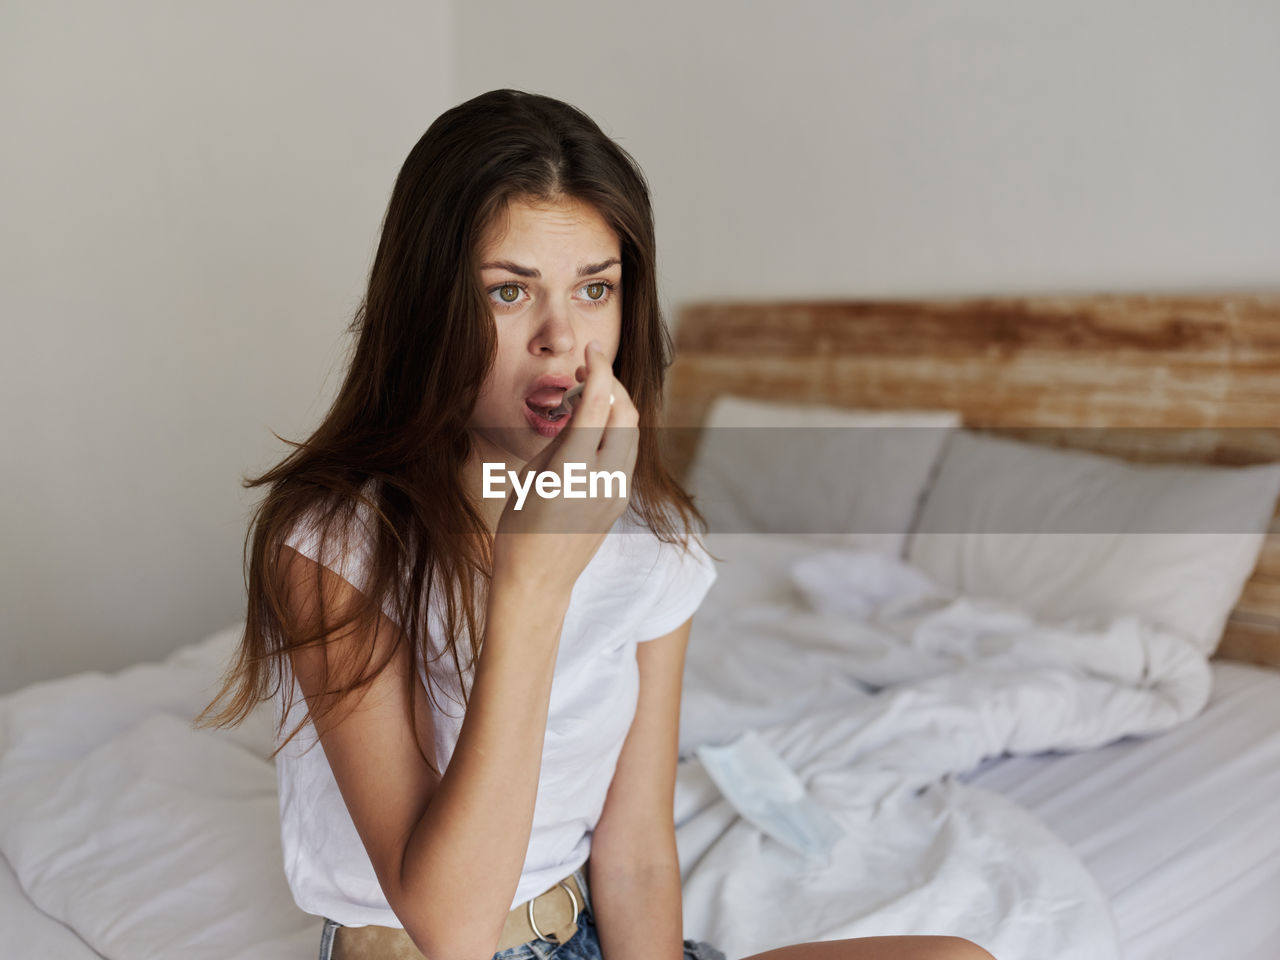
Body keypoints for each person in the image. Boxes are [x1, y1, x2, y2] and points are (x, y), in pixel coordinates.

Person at [196, 89, 994, 960]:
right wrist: (533, 582)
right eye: (508, 291)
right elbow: (450, 927)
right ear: (430, 308)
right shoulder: (332, 542)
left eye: (594, 289)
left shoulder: (653, 538)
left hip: (583, 939)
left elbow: (638, 852)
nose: (560, 338)